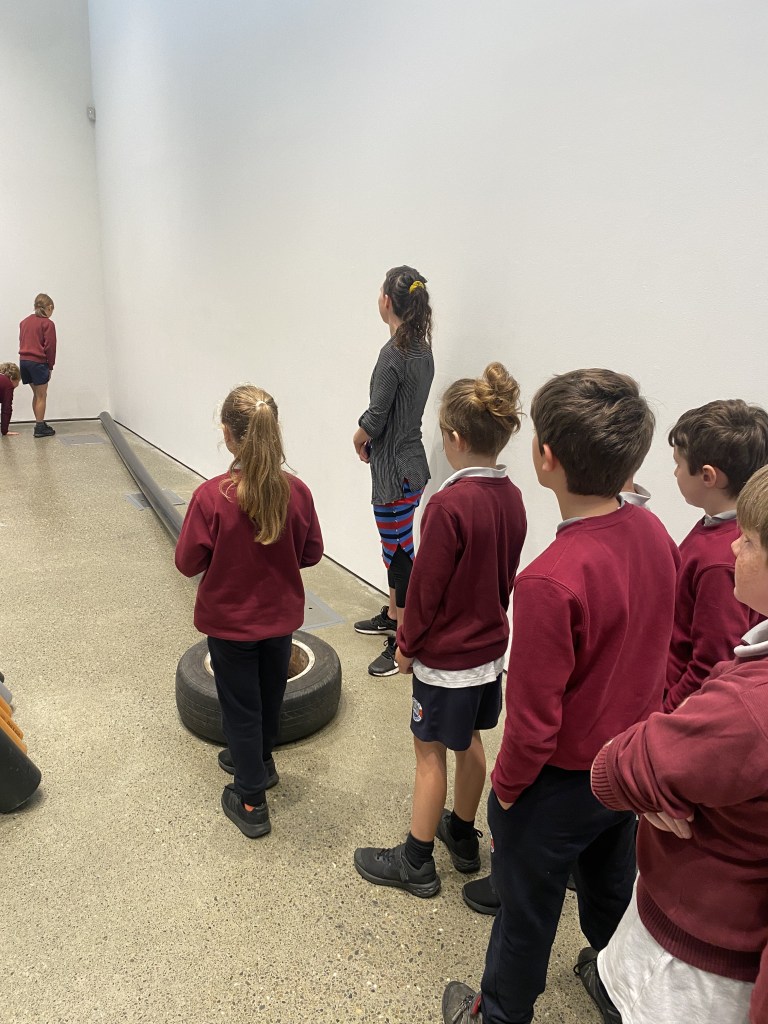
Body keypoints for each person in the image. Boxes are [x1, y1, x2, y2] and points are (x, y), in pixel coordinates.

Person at [443, 369, 680, 1024]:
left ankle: (498, 1015)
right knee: (610, 884)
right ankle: (616, 985)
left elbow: (534, 721)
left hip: (558, 785)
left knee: (527, 913)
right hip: (628, 767)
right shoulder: (656, 534)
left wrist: (507, 792)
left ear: (544, 457)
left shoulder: (549, 580)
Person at [577, 463, 768, 1024]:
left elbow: (612, 770)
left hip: (695, 951)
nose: (733, 546)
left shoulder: (747, 708)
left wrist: (662, 754)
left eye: (750, 540)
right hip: (697, 918)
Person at [353, 363, 527, 897]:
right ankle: (463, 833)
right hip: (489, 654)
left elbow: (425, 592)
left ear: (454, 438)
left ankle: (417, 860)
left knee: (428, 752)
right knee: (470, 741)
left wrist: (405, 646)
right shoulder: (513, 497)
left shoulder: (449, 505)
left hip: (448, 659)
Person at [175, 385, 323, 838]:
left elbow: (187, 562)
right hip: (279, 621)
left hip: (230, 624)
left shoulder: (211, 497)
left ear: (228, 434)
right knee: (268, 695)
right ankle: (261, 760)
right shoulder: (296, 491)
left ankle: (251, 799)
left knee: (240, 706)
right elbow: (312, 552)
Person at [352, 266, 435, 677]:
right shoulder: (423, 350)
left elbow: (377, 416)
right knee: (397, 547)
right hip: (411, 467)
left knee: (400, 554)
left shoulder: (393, 354)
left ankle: (404, 639)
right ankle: (392, 614)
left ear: (387, 301)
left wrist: (358, 437)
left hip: (393, 473)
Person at [664, 399, 768, 712]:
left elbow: (710, 664)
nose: (675, 472)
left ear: (708, 476)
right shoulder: (720, 528)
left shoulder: (720, 562)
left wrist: (663, 715)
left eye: (678, 464)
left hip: (675, 706)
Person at [18, 293, 57, 438]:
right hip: (38, 363)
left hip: (24, 361)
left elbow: (21, 340)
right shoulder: (47, 323)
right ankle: (40, 427)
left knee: (36, 394)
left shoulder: (24, 322)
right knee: (42, 395)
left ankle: (39, 422)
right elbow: (50, 347)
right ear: (49, 307)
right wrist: (50, 366)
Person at [0, 362, 21, 437]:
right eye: (18, 381)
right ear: (12, 378)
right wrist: (5, 431)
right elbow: (6, 409)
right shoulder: (8, 384)